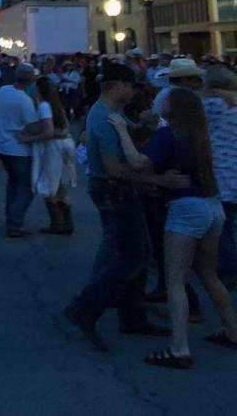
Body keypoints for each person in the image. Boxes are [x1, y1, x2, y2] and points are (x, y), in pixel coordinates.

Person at [109, 88, 237, 367]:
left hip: (186, 209)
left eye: (165, 100)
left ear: (175, 107)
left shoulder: (169, 134)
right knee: (208, 273)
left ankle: (179, 348)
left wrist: (121, 130)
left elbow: (138, 162)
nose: (159, 102)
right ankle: (232, 331)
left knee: (175, 278)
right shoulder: (199, 136)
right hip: (212, 206)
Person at [64, 61, 184, 353]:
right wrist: (157, 179)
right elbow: (114, 168)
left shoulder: (110, 113)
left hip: (116, 189)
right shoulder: (105, 118)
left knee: (136, 253)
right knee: (131, 256)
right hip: (113, 190)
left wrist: (144, 126)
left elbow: (132, 139)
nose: (133, 92)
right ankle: (85, 307)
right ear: (119, 86)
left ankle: (132, 315)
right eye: (131, 86)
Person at [0, 62, 43, 236]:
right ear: (31, 79)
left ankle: (11, 217)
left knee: (13, 182)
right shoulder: (24, 100)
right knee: (26, 187)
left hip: (0, 144)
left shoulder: (4, 90)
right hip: (18, 148)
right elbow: (33, 126)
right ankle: (15, 222)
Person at [201, 64, 237, 284]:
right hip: (234, 172)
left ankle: (228, 270)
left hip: (219, 174)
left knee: (222, 229)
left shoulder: (211, 105)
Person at [27, 76, 76, 235]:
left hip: (53, 148)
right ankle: (67, 222)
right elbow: (65, 129)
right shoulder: (57, 105)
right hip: (65, 146)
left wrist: (28, 137)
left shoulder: (43, 106)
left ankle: (57, 222)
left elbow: (48, 131)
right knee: (61, 184)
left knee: (48, 185)